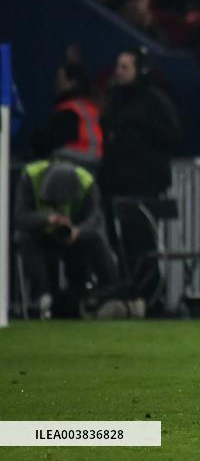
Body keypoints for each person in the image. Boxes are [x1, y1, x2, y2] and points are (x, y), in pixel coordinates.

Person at [14, 160, 121, 319]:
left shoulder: (87, 183)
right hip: (39, 236)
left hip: (73, 239)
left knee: (95, 240)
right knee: (25, 240)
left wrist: (77, 231)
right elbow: (20, 218)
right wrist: (47, 219)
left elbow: (95, 219)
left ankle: (108, 292)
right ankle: (43, 295)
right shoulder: (31, 177)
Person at [99, 47, 183, 199]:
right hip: (116, 182)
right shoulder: (115, 99)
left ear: (140, 70)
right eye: (118, 66)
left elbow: (173, 136)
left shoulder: (155, 101)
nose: (118, 72)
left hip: (145, 183)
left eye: (124, 67)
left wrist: (140, 129)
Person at [31, 63, 104, 170]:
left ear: (72, 83)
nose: (56, 83)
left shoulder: (69, 112)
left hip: (73, 165)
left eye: (60, 79)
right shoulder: (91, 108)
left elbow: (44, 142)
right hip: (94, 165)